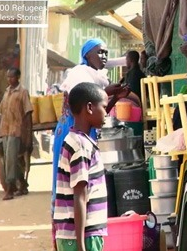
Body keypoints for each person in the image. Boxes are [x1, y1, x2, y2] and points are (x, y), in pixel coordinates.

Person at [51, 38, 129, 249]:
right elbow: (91, 106)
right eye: (99, 52)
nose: (104, 57)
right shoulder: (80, 74)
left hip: (81, 130)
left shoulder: (96, 82)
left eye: (106, 53)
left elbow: (96, 110)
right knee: (69, 186)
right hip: (68, 130)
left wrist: (113, 95)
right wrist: (81, 243)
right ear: (87, 55)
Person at [53, 82, 108, 251]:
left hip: (75, 236)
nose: (106, 113)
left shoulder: (75, 140)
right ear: (90, 107)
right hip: (84, 237)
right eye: (104, 107)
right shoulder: (81, 146)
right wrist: (81, 244)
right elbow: (80, 196)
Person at [0, 67, 32, 200]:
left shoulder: (23, 92)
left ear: (17, 77)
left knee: (10, 160)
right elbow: (2, 114)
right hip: (5, 130)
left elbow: (28, 114)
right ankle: (23, 184)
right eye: (8, 77)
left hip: (16, 130)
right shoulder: (7, 92)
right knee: (9, 159)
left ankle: (10, 188)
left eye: (12, 77)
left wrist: (28, 135)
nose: (9, 79)